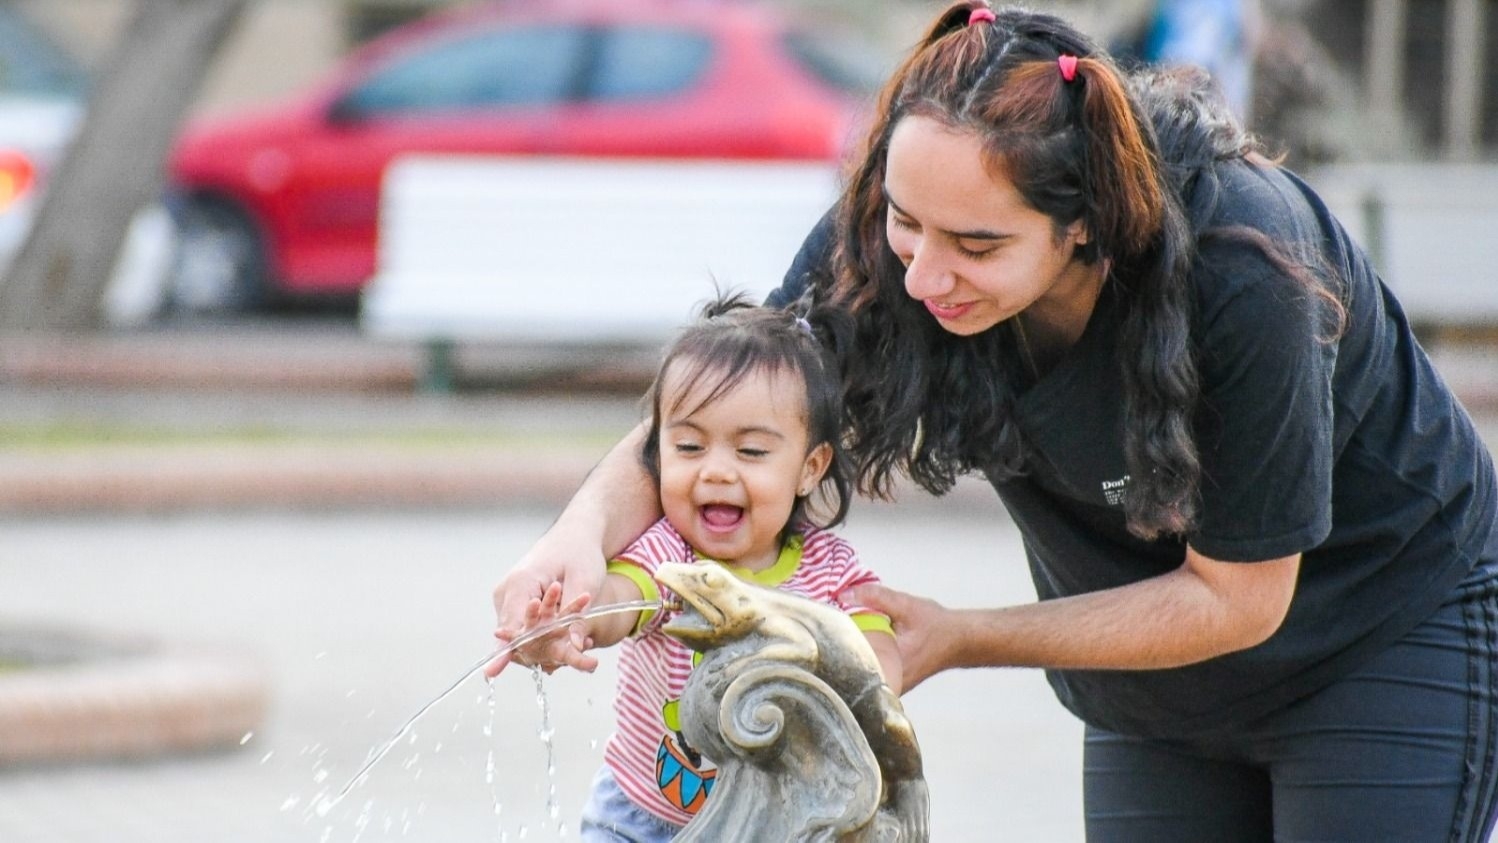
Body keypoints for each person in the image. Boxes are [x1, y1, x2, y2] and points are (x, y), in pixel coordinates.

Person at [491, 4, 1498, 840]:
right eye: (906, 222)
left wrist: (963, 636)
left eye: (976, 245)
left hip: (1379, 635)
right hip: (1154, 690)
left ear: (1085, 222)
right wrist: (575, 538)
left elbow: (1239, 597)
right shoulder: (891, 243)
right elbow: (725, 403)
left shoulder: (1247, 269)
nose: (922, 276)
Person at [490, 294, 901, 842]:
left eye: (751, 452)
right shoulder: (670, 556)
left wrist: (866, 703)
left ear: (810, 468)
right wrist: (567, 624)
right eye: (688, 446)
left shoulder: (831, 572)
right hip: (641, 819)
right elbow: (619, 602)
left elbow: (876, 660)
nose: (716, 472)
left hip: (770, 827)